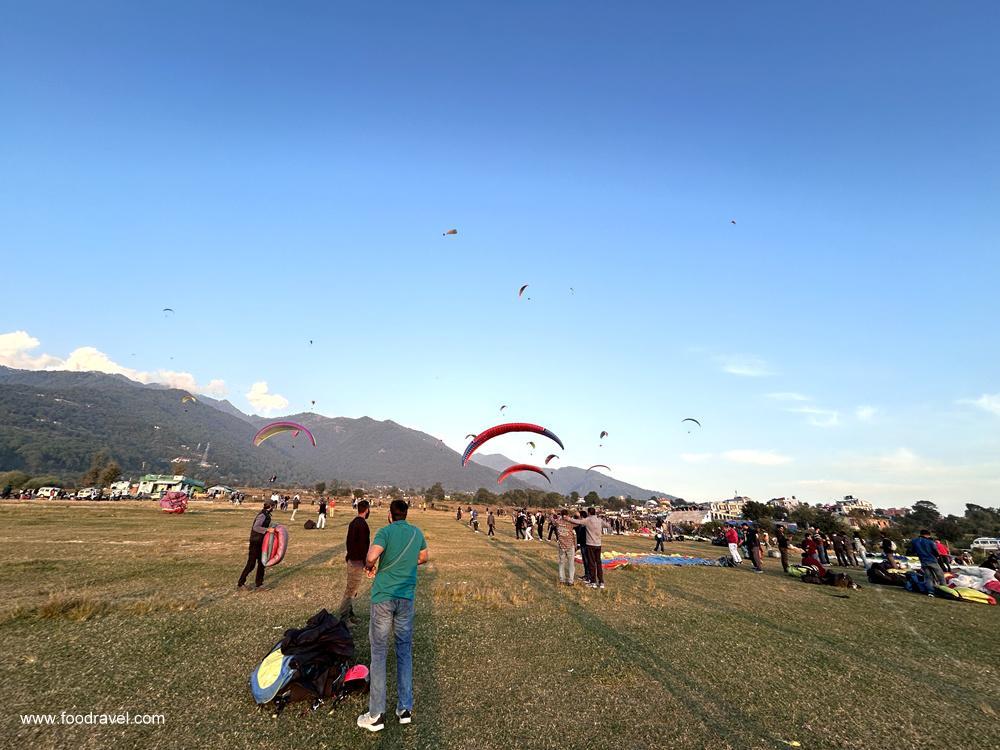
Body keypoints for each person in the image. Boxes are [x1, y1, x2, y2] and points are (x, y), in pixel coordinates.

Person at [357, 500, 428, 733]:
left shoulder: (385, 531)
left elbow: (372, 555)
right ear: (405, 514)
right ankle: (404, 709)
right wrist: (409, 563)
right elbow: (424, 557)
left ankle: (376, 714)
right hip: (406, 599)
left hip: (383, 598)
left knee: (378, 654)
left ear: (390, 515)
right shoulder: (416, 532)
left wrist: (371, 564)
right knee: (404, 651)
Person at [337, 500, 371, 625]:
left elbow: (349, 542)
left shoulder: (353, 523)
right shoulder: (362, 525)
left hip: (352, 560)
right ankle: (343, 619)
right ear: (366, 510)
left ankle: (350, 615)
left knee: (352, 589)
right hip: (356, 562)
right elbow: (363, 546)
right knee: (351, 591)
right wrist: (366, 563)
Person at [237, 499, 273, 590]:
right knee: (251, 564)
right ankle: (241, 583)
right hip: (255, 542)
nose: (274, 508)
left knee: (262, 563)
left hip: (261, 542)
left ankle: (259, 584)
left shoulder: (267, 514)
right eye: (273, 506)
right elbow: (256, 527)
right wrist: (267, 530)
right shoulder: (262, 515)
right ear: (270, 506)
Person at [568, 507, 605, 589]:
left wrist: (567, 518)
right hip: (597, 544)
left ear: (588, 513)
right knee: (597, 563)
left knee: (590, 563)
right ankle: (600, 581)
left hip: (589, 545)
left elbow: (576, 521)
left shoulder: (587, 522)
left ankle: (592, 581)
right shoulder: (598, 521)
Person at [911, 530, 945, 596]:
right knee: (940, 575)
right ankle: (944, 589)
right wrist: (939, 557)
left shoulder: (914, 541)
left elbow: (912, 550)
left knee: (928, 577)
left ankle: (930, 591)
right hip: (932, 560)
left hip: (923, 560)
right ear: (927, 535)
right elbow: (935, 551)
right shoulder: (930, 542)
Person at [555, 509, 577, 585]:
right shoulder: (570, 523)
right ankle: (571, 580)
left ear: (561, 514)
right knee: (571, 563)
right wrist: (577, 516)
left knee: (561, 563)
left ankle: (562, 579)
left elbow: (552, 520)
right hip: (570, 545)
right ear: (567, 514)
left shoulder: (558, 522)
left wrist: (553, 514)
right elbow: (579, 523)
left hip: (561, 545)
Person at [574, 513, 591, 584]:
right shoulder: (582, 524)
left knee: (587, 560)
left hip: (586, 544)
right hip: (582, 544)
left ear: (581, 516)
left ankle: (589, 576)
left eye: (580, 516)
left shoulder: (586, 524)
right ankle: (586, 575)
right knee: (585, 560)